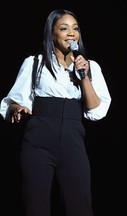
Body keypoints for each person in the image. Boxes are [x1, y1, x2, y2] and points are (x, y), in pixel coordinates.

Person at [0, 9, 111, 216]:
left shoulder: (90, 67)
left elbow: (96, 111)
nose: (71, 33)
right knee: (35, 207)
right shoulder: (35, 63)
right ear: (52, 33)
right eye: (64, 28)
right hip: (38, 140)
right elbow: (13, 101)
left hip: (73, 141)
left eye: (75, 29)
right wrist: (18, 109)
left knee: (81, 207)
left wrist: (84, 76)